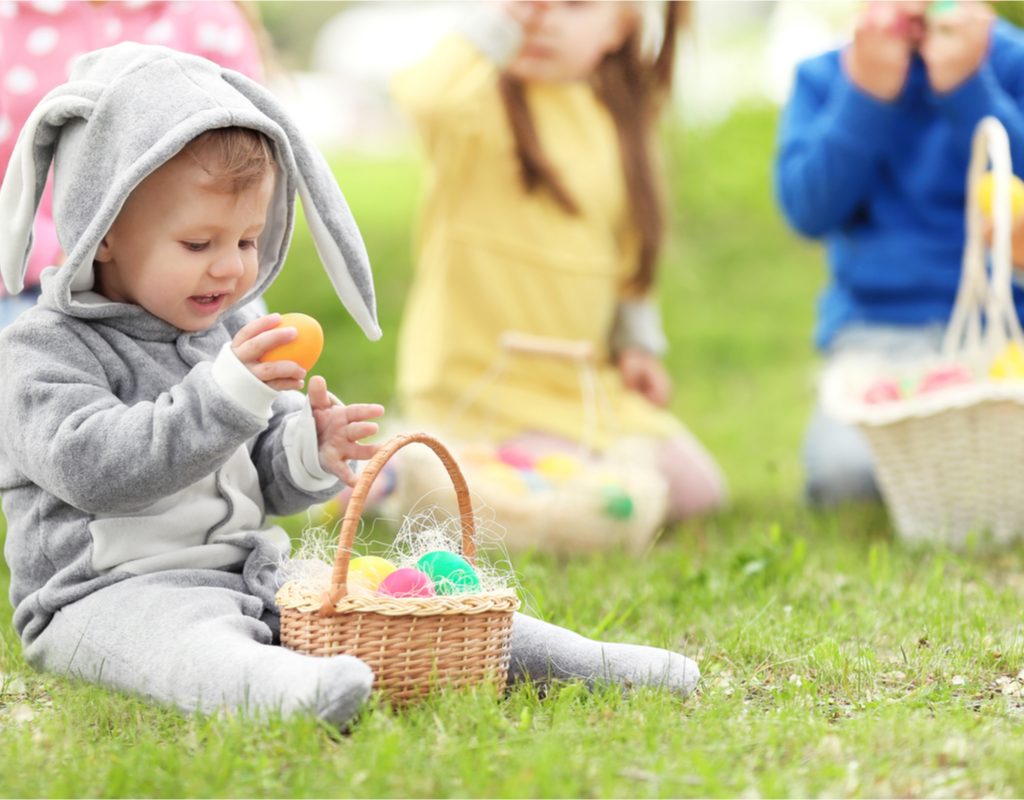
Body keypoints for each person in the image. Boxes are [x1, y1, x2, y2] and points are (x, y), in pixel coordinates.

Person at [0, 43, 700, 728]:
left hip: (250, 572)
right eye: (198, 245)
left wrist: (307, 451)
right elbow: (95, 471)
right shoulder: (43, 348)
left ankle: (581, 662)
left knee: (396, 609)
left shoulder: (232, 327)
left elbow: (262, 479)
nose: (230, 270)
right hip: (106, 595)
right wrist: (226, 399)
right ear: (103, 231)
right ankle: (285, 690)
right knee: (190, 649)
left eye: (247, 242)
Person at [389, 1, 726, 527]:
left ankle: (426, 468)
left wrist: (635, 342)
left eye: (572, 4)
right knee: (583, 504)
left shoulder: (614, 118)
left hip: (575, 388)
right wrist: (501, 24)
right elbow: (425, 98)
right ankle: (408, 471)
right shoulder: (476, 104)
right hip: (482, 389)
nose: (541, 17)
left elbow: (628, 251)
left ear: (621, 25)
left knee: (695, 490)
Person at [775, 0, 1024, 506]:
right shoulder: (827, 77)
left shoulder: (1010, 62)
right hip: (878, 337)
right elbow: (808, 210)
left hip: (1007, 331)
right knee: (846, 476)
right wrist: (864, 97)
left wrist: (968, 90)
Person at [0, 0, 271, 329]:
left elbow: (251, 165)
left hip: (200, 279)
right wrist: (54, 250)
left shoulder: (203, 15)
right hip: (23, 283)